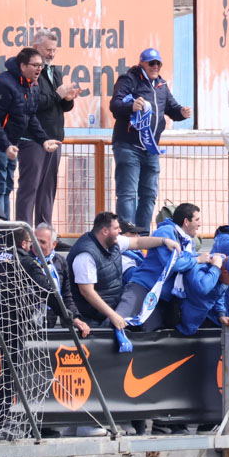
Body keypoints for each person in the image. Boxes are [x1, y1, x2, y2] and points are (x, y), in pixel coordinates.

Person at [66, 211, 179, 347]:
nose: (120, 231)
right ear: (105, 231)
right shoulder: (85, 255)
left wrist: (164, 241)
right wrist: (113, 315)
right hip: (90, 319)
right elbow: (87, 292)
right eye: (116, 228)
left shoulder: (113, 242)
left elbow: (137, 242)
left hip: (108, 312)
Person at [110, 47, 192, 233]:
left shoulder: (161, 85)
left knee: (149, 195)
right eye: (151, 63)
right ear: (142, 64)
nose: (155, 67)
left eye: (158, 64)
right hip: (128, 146)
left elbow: (172, 109)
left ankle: (143, 234)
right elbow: (115, 105)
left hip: (151, 148)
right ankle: (125, 233)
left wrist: (182, 113)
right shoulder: (128, 80)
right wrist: (131, 106)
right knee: (128, 193)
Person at [0, 47, 61, 220]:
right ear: (23, 66)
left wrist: (43, 140)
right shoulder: (3, 83)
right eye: (35, 65)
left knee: (7, 186)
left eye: (41, 66)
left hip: (11, 143)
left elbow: (30, 117)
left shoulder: (32, 85)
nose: (39, 69)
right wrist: (5, 145)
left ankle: (5, 231)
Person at [15, 29, 80, 228]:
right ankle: (23, 234)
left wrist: (68, 99)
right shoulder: (26, 73)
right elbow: (34, 103)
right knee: (30, 186)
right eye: (48, 50)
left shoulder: (55, 71)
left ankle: (45, 231)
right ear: (35, 48)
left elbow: (58, 104)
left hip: (54, 137)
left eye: (54, 50)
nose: (51, 54)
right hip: (33, 138)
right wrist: (58, 95)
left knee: (48, 188)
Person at [113, 203, 200, 333]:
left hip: (159, 297)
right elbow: (174, 264)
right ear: (186, 221)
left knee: (152, 336)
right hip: (143, 287)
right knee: (117, 322)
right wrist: (198, 259)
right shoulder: (165, 232)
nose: (200, 224)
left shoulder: (188, 242)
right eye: (197, 220)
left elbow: (189, 261)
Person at [177, 253, 229, 335]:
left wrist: (221, 314)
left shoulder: (223, 279)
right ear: (225, 272)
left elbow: (218, 295)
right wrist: (216, 268)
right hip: (179, 321)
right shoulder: (201, 267)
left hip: (196, 321)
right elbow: (202, 288)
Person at [30, 223, 78, 331]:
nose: (37, 245)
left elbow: (66, 295)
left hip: (51, 318)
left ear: (54, 244)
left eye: (42, 242)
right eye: (35, 240)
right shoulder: (25, 259)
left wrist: (75, 318)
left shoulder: (60, 261)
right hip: (28, 320)